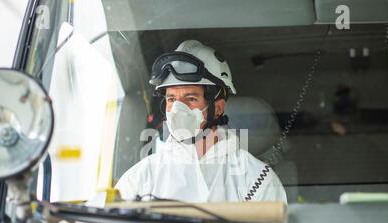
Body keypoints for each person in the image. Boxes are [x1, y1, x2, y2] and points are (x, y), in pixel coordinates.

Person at [115, 40, 287, 204]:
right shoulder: (140, 178)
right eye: (171, 99)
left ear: (218, 108)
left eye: (190, 98)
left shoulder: (256, 178)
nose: (177, 109)